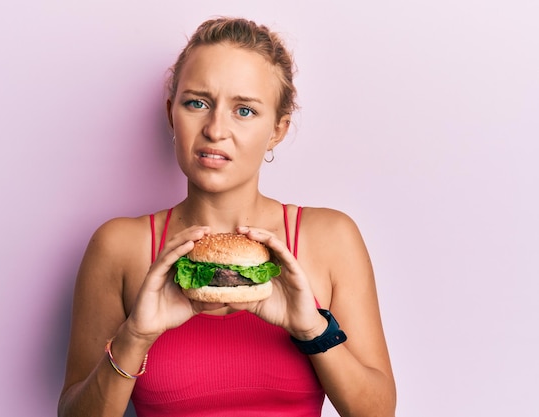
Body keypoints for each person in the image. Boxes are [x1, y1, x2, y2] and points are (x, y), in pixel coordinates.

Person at [58, 17, 396, 417]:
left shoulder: (330, 238)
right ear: (171, 114)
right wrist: (136, 337)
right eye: (197, 103)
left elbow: (378, 412)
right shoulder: (119, 246)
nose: (216, 129)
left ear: (278, 130)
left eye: (245, 110)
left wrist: (312, 330)